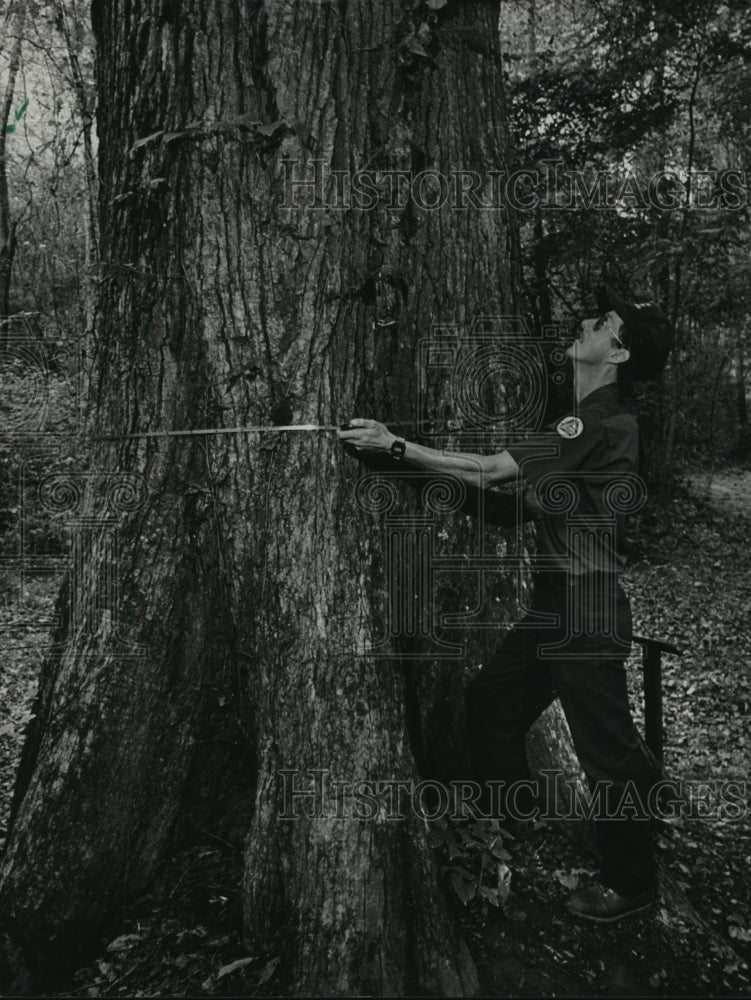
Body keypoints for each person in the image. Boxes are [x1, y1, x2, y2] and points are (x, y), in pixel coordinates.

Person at [338, 284, 674, 923]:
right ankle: (518, 826)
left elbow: (492, 472)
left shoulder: (597, 420)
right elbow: (507, 504)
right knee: (490, 703)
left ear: (620, 353)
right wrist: (402, 471)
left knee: (609, 754)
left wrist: (396, 445)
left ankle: (633, 884)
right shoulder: (584, 429)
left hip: (586, 611)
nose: (584, 323)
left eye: (600, 323)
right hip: (556, 608)